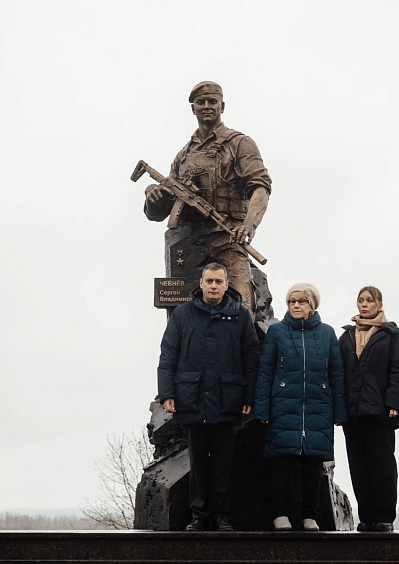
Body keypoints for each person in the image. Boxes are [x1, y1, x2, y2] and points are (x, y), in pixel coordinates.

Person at [144, 81, 272, 315]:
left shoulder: (239, 143)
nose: (206, 106)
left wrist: (249, 224)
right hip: (188, 245)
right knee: (182, 317)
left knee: (242, 311)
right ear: (193, 109)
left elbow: (260, 188)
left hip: (228, 240)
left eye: (212, 101)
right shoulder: (183, 156)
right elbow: (160, 212)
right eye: (200, 102)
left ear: (222, 106)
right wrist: (154, 198)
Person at [157, 262, 260, 531]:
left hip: (228, 399)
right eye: (209, 281)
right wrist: (167, 393)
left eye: (219, 281)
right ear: (201, 283)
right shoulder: (182, 315)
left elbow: (251, 359)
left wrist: (249, 396)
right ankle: (199, 515)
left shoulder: (240, 317)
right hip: (193, 398)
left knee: (224, 463)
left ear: (227, 285)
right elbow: (168, 356)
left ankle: (221, 515)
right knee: (199, 462)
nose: (213, 286)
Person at [254, 283, 347, 531]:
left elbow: (336, 375)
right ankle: (280, 514)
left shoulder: (327, 333)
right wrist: (262, 408)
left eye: (302, 301)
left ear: (312, 305)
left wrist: (340, 411)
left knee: (313, 465)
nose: (296, 305)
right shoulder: (277, 332)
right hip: (283, 406)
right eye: (292, 301)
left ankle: (310, 515)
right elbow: (265, 372)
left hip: (318, 408)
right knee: (281, 462)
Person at [338, 286, 399, 532]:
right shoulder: (347, 336)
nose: (364, 304)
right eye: (360, 300)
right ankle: (366, 517)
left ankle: (384, 517)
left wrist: (394, 403)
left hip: (380, 414)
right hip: (353, 415)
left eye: (369, 300)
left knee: (382, 467)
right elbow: (337, 375)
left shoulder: (393, 336)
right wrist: (340, 409)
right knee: (358, 467)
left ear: (380, 305)